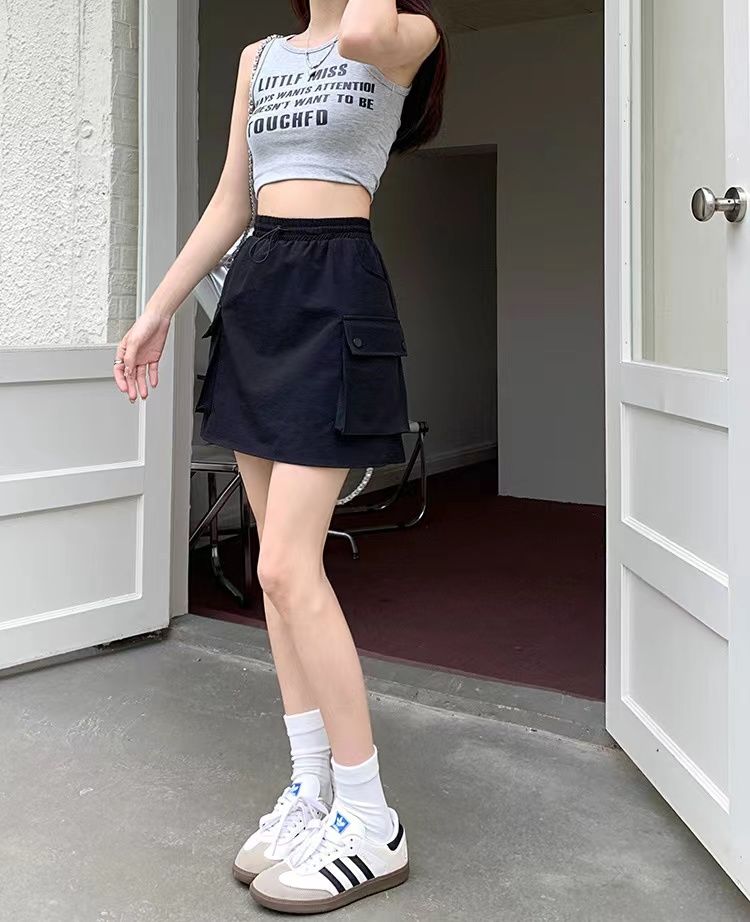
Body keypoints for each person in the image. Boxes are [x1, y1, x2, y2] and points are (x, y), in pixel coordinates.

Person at [113, 0, 446, 913]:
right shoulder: (260, 57)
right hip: (258, 292)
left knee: (291, 567)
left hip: (338, 291)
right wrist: (157, 311)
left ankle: (371, 817)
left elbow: (365, 32)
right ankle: (311, 788)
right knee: (272, 569)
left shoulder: (405, 34)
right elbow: (233, 197)